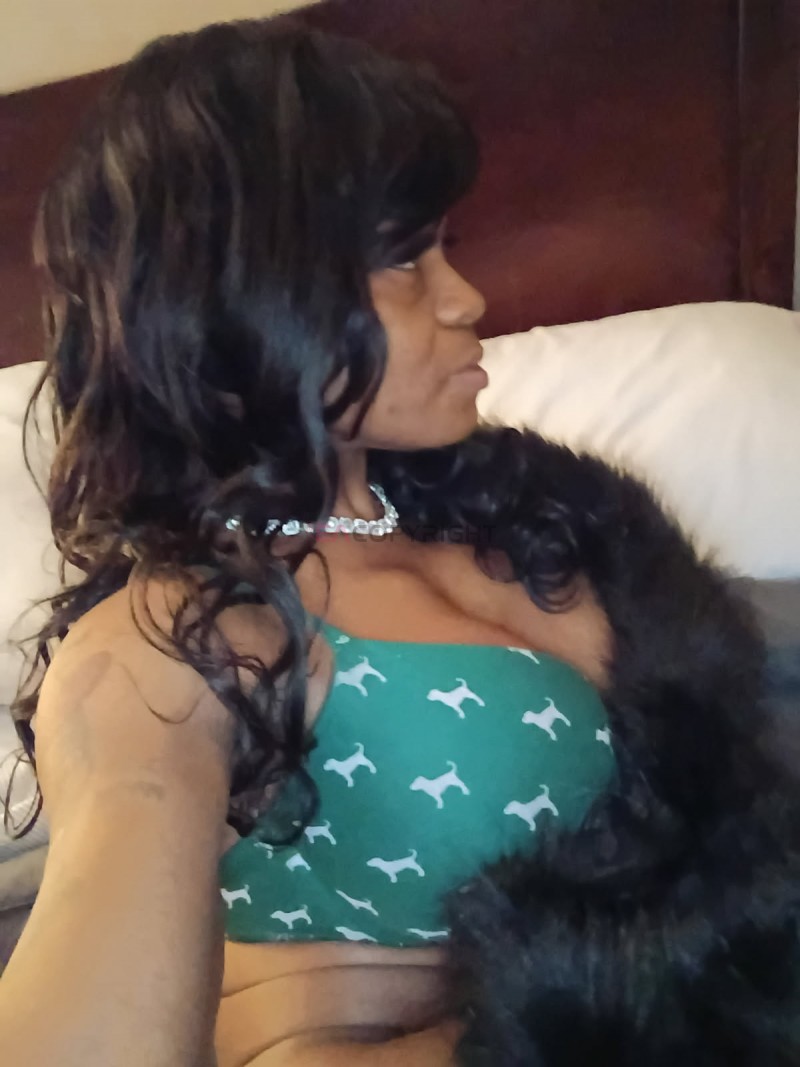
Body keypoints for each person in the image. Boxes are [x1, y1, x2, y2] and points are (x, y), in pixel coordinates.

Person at [1, 17, 798, 1067]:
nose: (468, 298)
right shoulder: (192, 631)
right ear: (242, 299)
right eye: (403, 261)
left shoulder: (533, 519)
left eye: (444, 248)